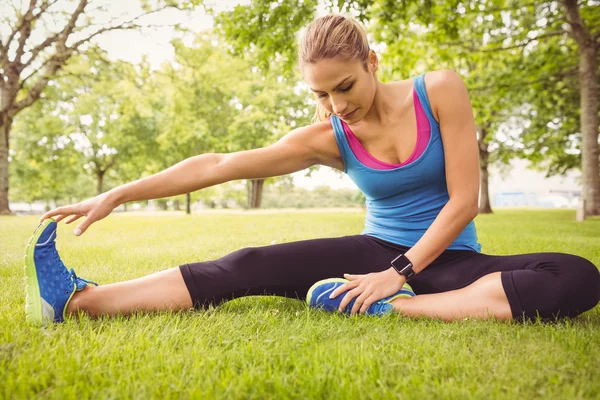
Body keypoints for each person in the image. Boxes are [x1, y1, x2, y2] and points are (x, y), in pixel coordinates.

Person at [25, 15, 600, 326]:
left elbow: (462, 203)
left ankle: (393, 310)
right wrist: (120, 193)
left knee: (576, 275)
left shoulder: (441, 90)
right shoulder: (330, 135)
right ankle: (80, 300)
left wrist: (396, 276)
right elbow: (221, 164)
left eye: (345, 85)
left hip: (447, 261)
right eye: (321, 94)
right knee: (245, 265)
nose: (336, 104)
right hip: (370, 252)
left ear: (372, 63)